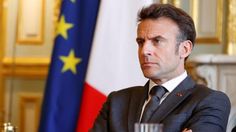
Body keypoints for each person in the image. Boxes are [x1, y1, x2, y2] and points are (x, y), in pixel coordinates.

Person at [90, 3, 231, 132]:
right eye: (141, 42)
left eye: (157, 41)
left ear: (185, 49)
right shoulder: (117, 101)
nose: (145, 50)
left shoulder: (210, 100)